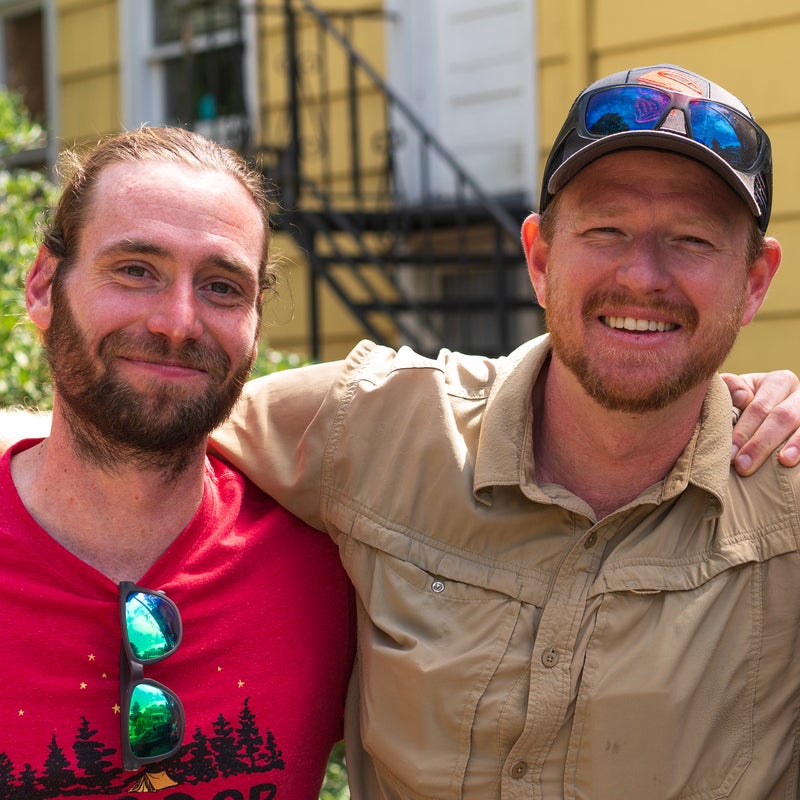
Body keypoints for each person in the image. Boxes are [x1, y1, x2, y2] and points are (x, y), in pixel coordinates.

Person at [204, 65, 800, 798]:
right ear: (541, 260)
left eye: (693, 239)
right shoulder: (377, 423)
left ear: (754, 283)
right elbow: (144, 424)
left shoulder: (787, 502)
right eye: (606, 228)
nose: (644, 275)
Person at [0, 127, 354, 799]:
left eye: (223, 287)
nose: (178, 322)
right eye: (136, 270)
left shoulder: (333, 567)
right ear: (44, 287)